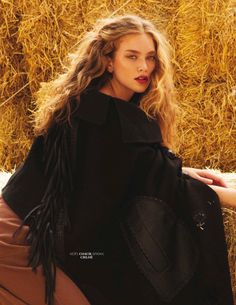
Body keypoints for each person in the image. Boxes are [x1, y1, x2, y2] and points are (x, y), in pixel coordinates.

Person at [0, 14, 235, 305]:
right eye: (132, 56)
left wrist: (184, 171)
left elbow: (131, 167)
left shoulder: (98, 104)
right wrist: (227, 197)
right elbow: (156, 181)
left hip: (30, 226)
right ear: (108, 61)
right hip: (18, 237)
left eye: (150, 57)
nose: (143, 67)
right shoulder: (100, 117)